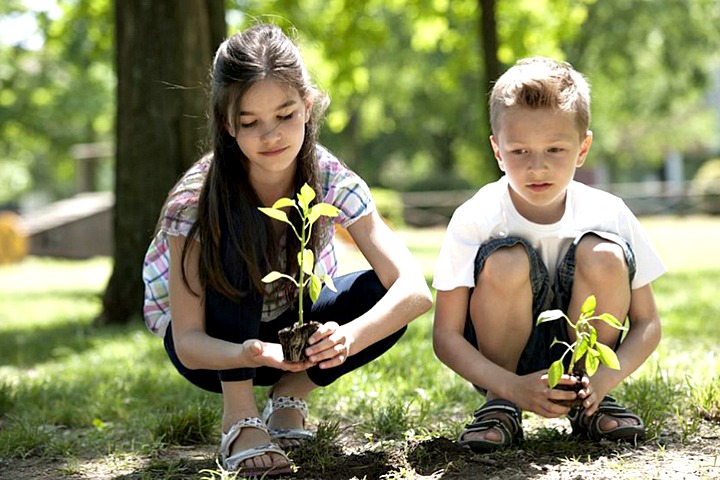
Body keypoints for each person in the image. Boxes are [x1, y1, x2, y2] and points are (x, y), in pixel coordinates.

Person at [142, 23, 432, 476]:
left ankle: (289, 397)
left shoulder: (328, 175)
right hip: (217, 347)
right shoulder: (195, 201)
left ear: (308, 106)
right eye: (249, 122)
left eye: (285, 114)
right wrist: (249, 354)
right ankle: (239, 417)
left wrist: (347, 339)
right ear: (225, 123)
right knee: (239, 234)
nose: (271, 135)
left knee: (382, 293)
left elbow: (415, 289)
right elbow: (189, 343)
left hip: (295, 334)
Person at [432, 57, 665, 452]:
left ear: (583, 147)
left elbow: (647, 323)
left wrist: (604, 379)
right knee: (506, 261)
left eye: (555, 149)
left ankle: (588, 402)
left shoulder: (609, 212)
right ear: (497, 150)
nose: (537, 167)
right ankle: (501, 406)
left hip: (587, 360)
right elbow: (446, 336)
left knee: (605, 254)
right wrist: (509, 385)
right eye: (519, 151)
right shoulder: (476, 217)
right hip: (503, 363)